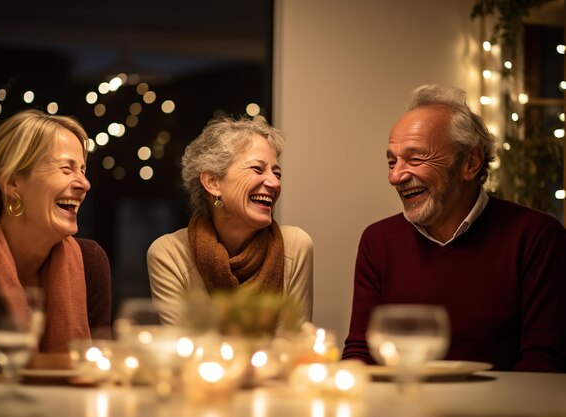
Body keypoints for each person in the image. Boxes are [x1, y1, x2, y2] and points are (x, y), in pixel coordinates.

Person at [342, 84, 566, 372]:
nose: (395, 176)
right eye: (392, 161)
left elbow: (544, 363)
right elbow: (362, 351)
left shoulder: (537, 237)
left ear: (470, 163)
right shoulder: (378, 241)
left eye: (415, 158)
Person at [0, 109, 112, 373]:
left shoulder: (90, 262)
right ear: (12, 183)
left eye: (82, 169)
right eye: (66, 168)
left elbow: (95, 373)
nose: (84, 183)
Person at [147, 116, 313, 326]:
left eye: (277, 173)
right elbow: (182, 354)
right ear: (213, 182)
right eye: (257, 169)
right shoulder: (170, 254)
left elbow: (295, 347)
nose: (274, 183)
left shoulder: (296, 246)